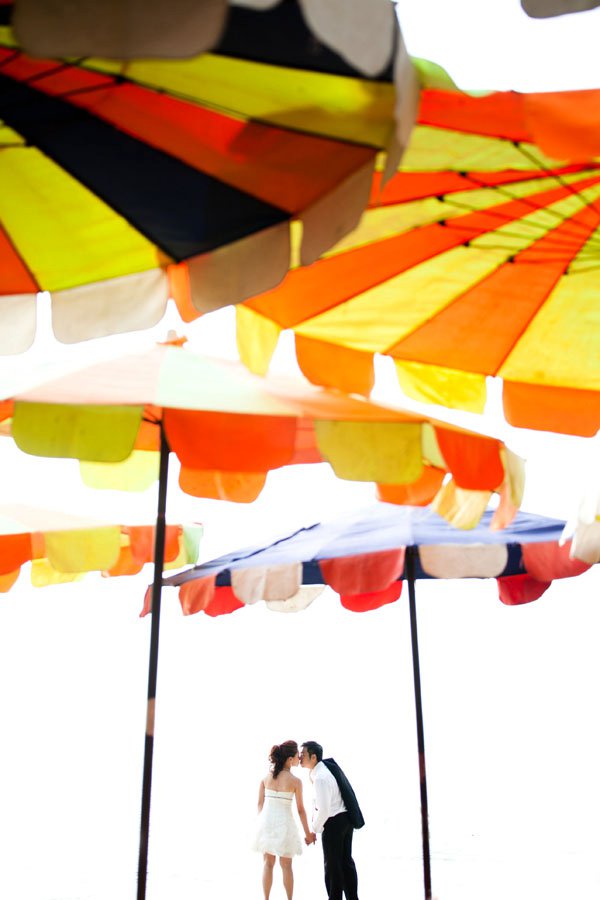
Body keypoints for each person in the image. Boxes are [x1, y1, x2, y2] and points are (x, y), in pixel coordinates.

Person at [300, 740, 364, 900]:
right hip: (345, 820)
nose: (300, 757)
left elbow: (324, 810)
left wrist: (313, 830)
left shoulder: (320, 778)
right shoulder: (324, 768)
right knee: (346, 863)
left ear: (313, 757)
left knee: (332, 867)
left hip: (334, 822)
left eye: (303, 754)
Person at [251, 740, 313, 900]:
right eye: (296, 756)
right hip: (285, 825)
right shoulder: (296, 782)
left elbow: (259, 804)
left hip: (267, 824)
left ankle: (266, 898)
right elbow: (300, 810)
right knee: (286, 866)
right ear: (290, 759)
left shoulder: (266, 778)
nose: (299, 758)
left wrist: (262, 823)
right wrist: (308, 834)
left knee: (267, 864)